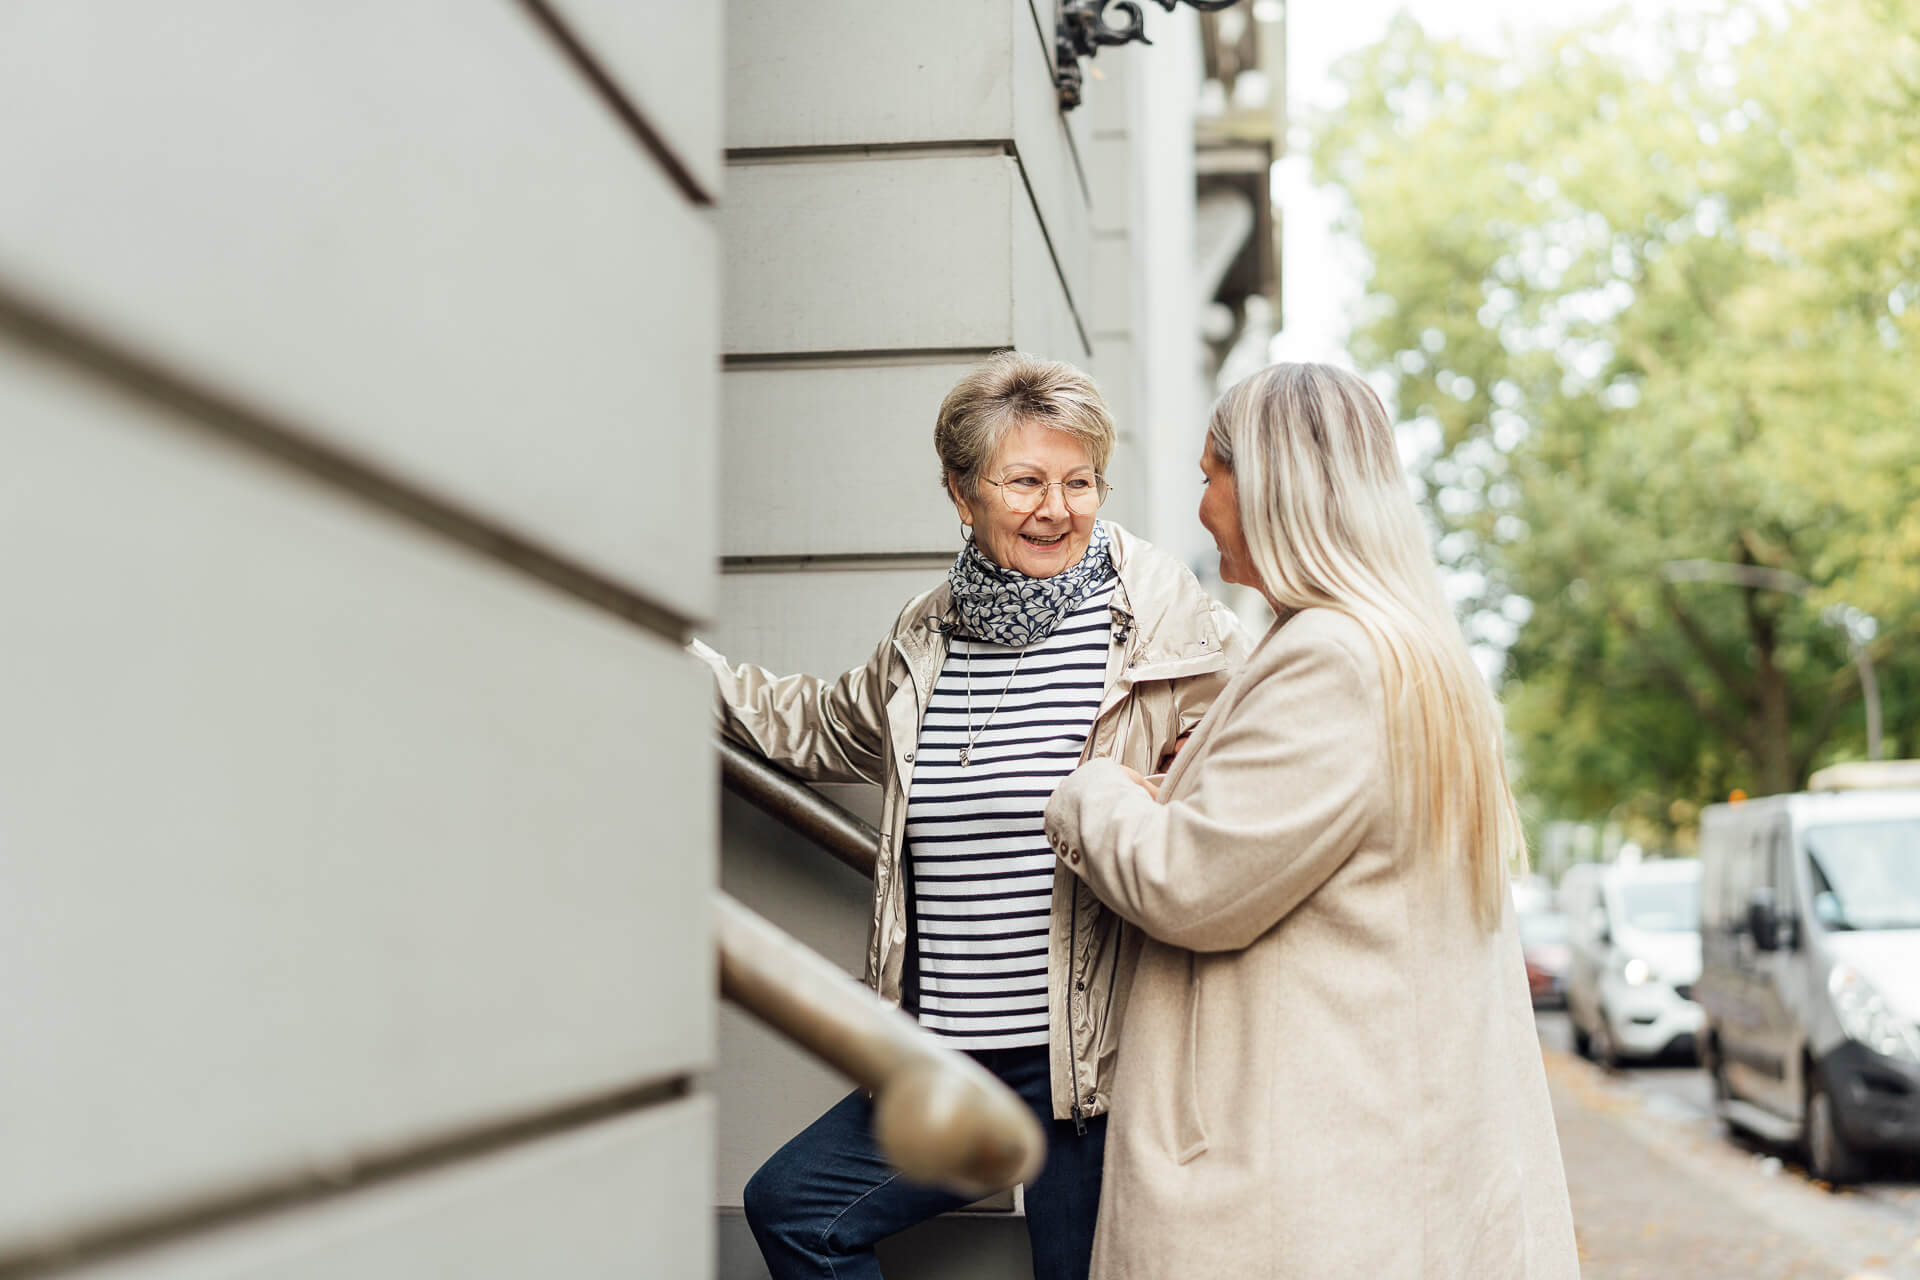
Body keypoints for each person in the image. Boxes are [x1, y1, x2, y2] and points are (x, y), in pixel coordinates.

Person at [696, 352, 1245, 1280]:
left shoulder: (1167, 627)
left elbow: (1248, 775)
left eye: (1079, 482)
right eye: (1024, 481)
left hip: (1097, 1070)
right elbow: (817, 723)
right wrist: (665, 652)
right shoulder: (925, 635)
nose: (1056, 509)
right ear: (961, 492)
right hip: (951, 1057)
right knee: (796, 1209)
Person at [1041, 362, 1580, 1277]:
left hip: (1297, 1184)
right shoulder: (1393, 650)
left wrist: (1094, 790)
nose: (1203, 504)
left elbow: (1190, 883)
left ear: (1270, 487)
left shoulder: (1335, 662)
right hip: (1367, 1163)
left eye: (1210, 474)